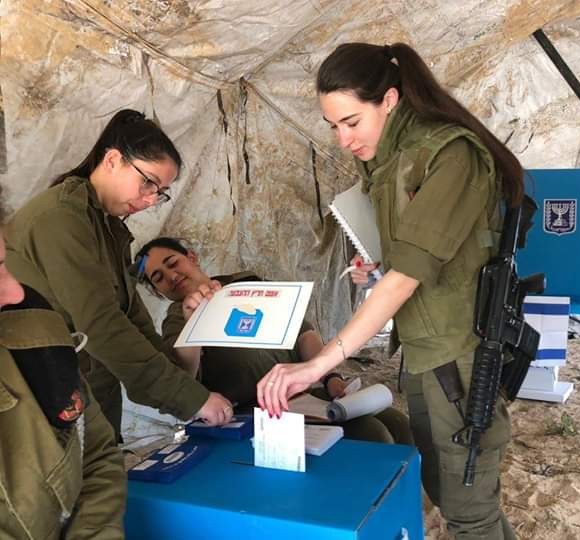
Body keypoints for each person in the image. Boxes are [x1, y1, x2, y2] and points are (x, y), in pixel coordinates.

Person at [257, 43, 526, 539]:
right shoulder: (391, 159)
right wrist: (379, 268)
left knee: (468, 510)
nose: (343, 140)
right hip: (425, 352)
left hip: (458, 352)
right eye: (333, 126)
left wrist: (318, 365)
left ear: (389, 100)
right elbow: (416, 259)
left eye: (351, 122)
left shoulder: (450, 154)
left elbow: (409, 277)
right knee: (449, 492)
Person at [4, 110, 233, 442]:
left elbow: (132, 320)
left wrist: (187, 386)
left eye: (160, 191)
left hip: (91, 401)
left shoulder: (108, 228)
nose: (151, 199)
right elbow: (100, 323)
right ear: (112, 160)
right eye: (148, 182)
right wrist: (191, 398)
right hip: (46, 404)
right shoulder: (60, 219)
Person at [133, 236, 412, 445]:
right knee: (373, 435)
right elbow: (184, 373)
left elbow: (303, 334)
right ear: (158, 291)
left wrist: (330, 377)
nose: (172, 276)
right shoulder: (177, 319)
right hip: (255, 410)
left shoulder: (244, 284)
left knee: (398, 424)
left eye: (173, 263)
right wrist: (193, 324)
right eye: (159, 278)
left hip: (304, 393)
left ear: (191, 257)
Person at [0, 188, 127, 539]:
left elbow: (97, 454)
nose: (15, 293)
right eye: (148, 182)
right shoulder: (57, 216)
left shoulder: (35, 332)